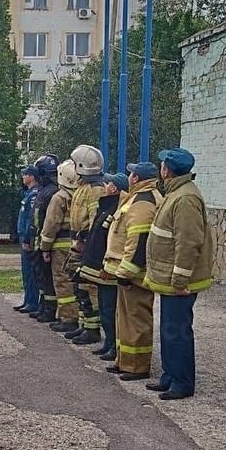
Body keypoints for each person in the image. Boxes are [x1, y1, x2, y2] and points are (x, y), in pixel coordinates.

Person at [144, 147, 215, 400]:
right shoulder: (176, 193)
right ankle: (170, 376)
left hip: (179, 282)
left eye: (162, 165)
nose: (160, 168)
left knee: (178, 331)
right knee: (169, 330)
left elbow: (188, 242)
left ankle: (182, 383)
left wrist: (180, 279)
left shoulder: (185, 198)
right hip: (169, 279)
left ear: (167, 170)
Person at [103, 161, 162, 381]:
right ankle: (125, 361)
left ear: (136, 179)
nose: (128, 177)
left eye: (131, 174)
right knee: (125, 319)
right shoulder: (138, 198)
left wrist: (126, 272)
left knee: (136, 320)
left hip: (135, 274)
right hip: (129, 272)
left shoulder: (144, 202)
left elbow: (138, 240)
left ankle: (137, 367)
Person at [77, 172, 128, 360]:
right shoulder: (106, 207)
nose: (104, 186)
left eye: (107, 183)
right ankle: (108, 343)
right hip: (101, 268)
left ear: (113, 188)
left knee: (109, 309)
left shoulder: (115, 209)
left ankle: (114, 346)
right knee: (105, 308)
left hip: (108, 268)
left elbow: (109, 242)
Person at [66, 145, 106, 345]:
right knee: (78, 287)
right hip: (78, 244)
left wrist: (87, 244)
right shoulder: (83, 187)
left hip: (85, 246)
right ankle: (84, 326)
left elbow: (95, 222)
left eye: (74, 164)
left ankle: (92, 330)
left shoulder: (96, 190)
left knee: (88, 288)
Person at [42, 158, 79, 331]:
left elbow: (51, 224)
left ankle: (68, 319)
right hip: (78, 243)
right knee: (77, 282)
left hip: (60, 246)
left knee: (62, 281)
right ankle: (77, 316)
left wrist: (45, 247)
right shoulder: (82, 194)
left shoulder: (59, 198)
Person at [30, 155, 60, 322]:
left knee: (47, 276)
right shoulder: (44, 190)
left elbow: (48, 220)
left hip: (44, 239)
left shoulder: (51, 191)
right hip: (38, 238)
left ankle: (49, 309)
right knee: (40, 274)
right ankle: (44, 306)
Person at [14, 166, 40, 313]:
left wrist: (27, 239)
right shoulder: (27, 193)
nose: (23, 177)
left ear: (32, 177)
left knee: (31, 272)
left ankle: (32, 302)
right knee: (26, 272)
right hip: (23, 237)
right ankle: (27, 300)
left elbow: (31, 218)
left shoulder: (34, 194)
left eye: (25, 175)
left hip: (28, 239)